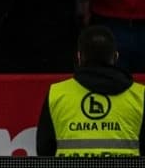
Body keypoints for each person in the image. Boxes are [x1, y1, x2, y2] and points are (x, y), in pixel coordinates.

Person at [37, 26, 144, 157]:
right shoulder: (140, 96)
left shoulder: (57, 94)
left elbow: (44, 149)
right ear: (116, 57)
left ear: (79, 56)